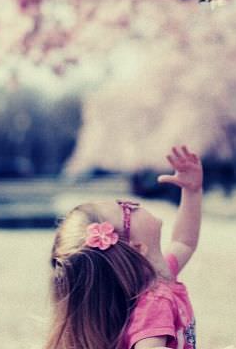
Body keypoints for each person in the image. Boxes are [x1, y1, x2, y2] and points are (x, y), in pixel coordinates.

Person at [45, 145, 203, 349]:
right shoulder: (154, 302)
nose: (133, 202)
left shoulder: (161, 276)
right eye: (128, 208)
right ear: (138, 247)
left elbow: (184, 241)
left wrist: (192, 191)